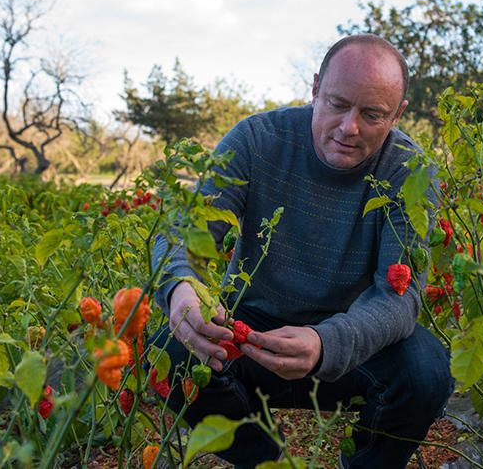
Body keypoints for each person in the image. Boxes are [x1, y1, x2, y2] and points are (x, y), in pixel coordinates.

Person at [151, 34, 453, 468]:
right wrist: (182, 291)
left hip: (354, 338)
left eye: (372, 115)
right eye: (336, 103)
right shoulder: (256, 141)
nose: (349, 128)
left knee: (426, 373)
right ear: (315, 89)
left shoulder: (409, 169)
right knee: (169, 349)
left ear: (398, 113)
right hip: (251, 332)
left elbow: (397, 298)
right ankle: (261, 459)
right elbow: (183, 231)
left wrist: (326, 341)